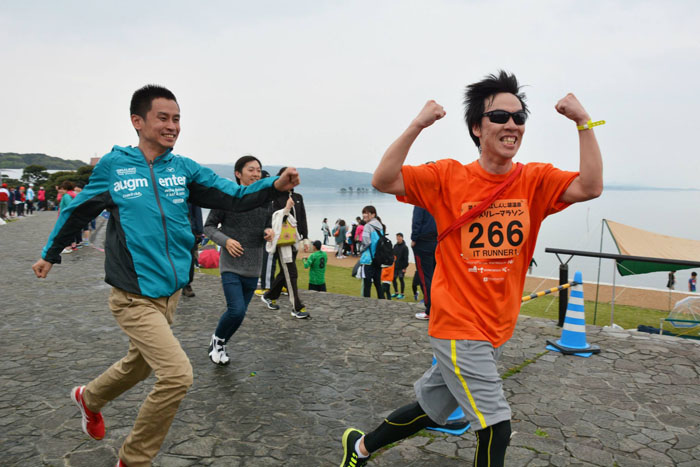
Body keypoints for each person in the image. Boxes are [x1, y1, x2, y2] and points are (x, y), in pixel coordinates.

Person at [339, 71, 603, 467]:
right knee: (496, 425)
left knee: (431, 409)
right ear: (477, 128)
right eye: (499, 117)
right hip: (458, 324)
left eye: (519, 117)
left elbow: (590, 186)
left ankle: (359, 447)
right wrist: (417, 124)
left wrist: (585, 123)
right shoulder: (448, 176)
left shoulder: (534, 180)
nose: (511, 125)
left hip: (495, 325)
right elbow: (383, 179)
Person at [31, 84, 299, 467]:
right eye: (163, 118)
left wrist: (273, 186)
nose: (172, 126)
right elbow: (79, 211)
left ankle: (88, 399)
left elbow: (232, 196)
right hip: (132, 295)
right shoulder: (115, 167)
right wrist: (50, 254)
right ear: (137, 122)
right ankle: (135, 459)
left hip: (169, 294)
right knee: (177, 376)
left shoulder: (184, 169)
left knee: (138, 364)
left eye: (177, 119)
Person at [204, 155, 274, 365]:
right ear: (238, 174)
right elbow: (208, 227)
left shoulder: (265, 200)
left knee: (240, 314)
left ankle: (220, 342)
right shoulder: (225, 198)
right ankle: (217, 341)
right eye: (251, 169)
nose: (256, 173)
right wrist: (225, 241)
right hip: (231, 264)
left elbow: (268, 225)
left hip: (254, 264)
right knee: (236, 310)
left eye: (258, 170)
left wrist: (269, 232)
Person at [261, 168, 310, 319]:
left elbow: (302, 218)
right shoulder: (274, 198)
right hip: (282, 241)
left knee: (285, 272)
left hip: (294, 240)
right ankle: (296, 306)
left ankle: (270, 295)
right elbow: (273, 220)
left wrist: (305, 238)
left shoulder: (298, 197)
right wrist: (286, 208)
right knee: (291, 272)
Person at [411, 205, 437, 320]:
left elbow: (417, 221)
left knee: (425, 278)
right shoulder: (435, 199)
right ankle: (437, 308)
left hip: (423, 242)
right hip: (436, 241)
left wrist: (414, 238)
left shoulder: (419, 202)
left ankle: (429, 310)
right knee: (436, 277)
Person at [358, 205, 386, 299]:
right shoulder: (380, 225)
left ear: (373, 214)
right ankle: (382, 302)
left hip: (368, 259)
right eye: (363, 213)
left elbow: (366, 242)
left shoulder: (367, 226)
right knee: (378, 284)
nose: (364, 215)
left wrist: (360, 250)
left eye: (366, 213)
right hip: (377, 258)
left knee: (367, 285)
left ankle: (367, 305)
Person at [182, 202, 204, 298]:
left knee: (189, 259)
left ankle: (187, 284)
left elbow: (197, 211)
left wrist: (199, 231)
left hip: (189, 230)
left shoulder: (190, 190)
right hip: (170, 229)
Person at [391, 233, 409, 299]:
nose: (398, 238)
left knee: (401, 279)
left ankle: (402, 294)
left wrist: (405, 268)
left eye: (399, 237)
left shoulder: (405, 247)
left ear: (402, 237)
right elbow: (393, 256)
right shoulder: (395, 246)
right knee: (393, 278)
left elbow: (406, 258)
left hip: (402, 267)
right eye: (397, 237)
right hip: (395, 266)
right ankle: (396, 293)